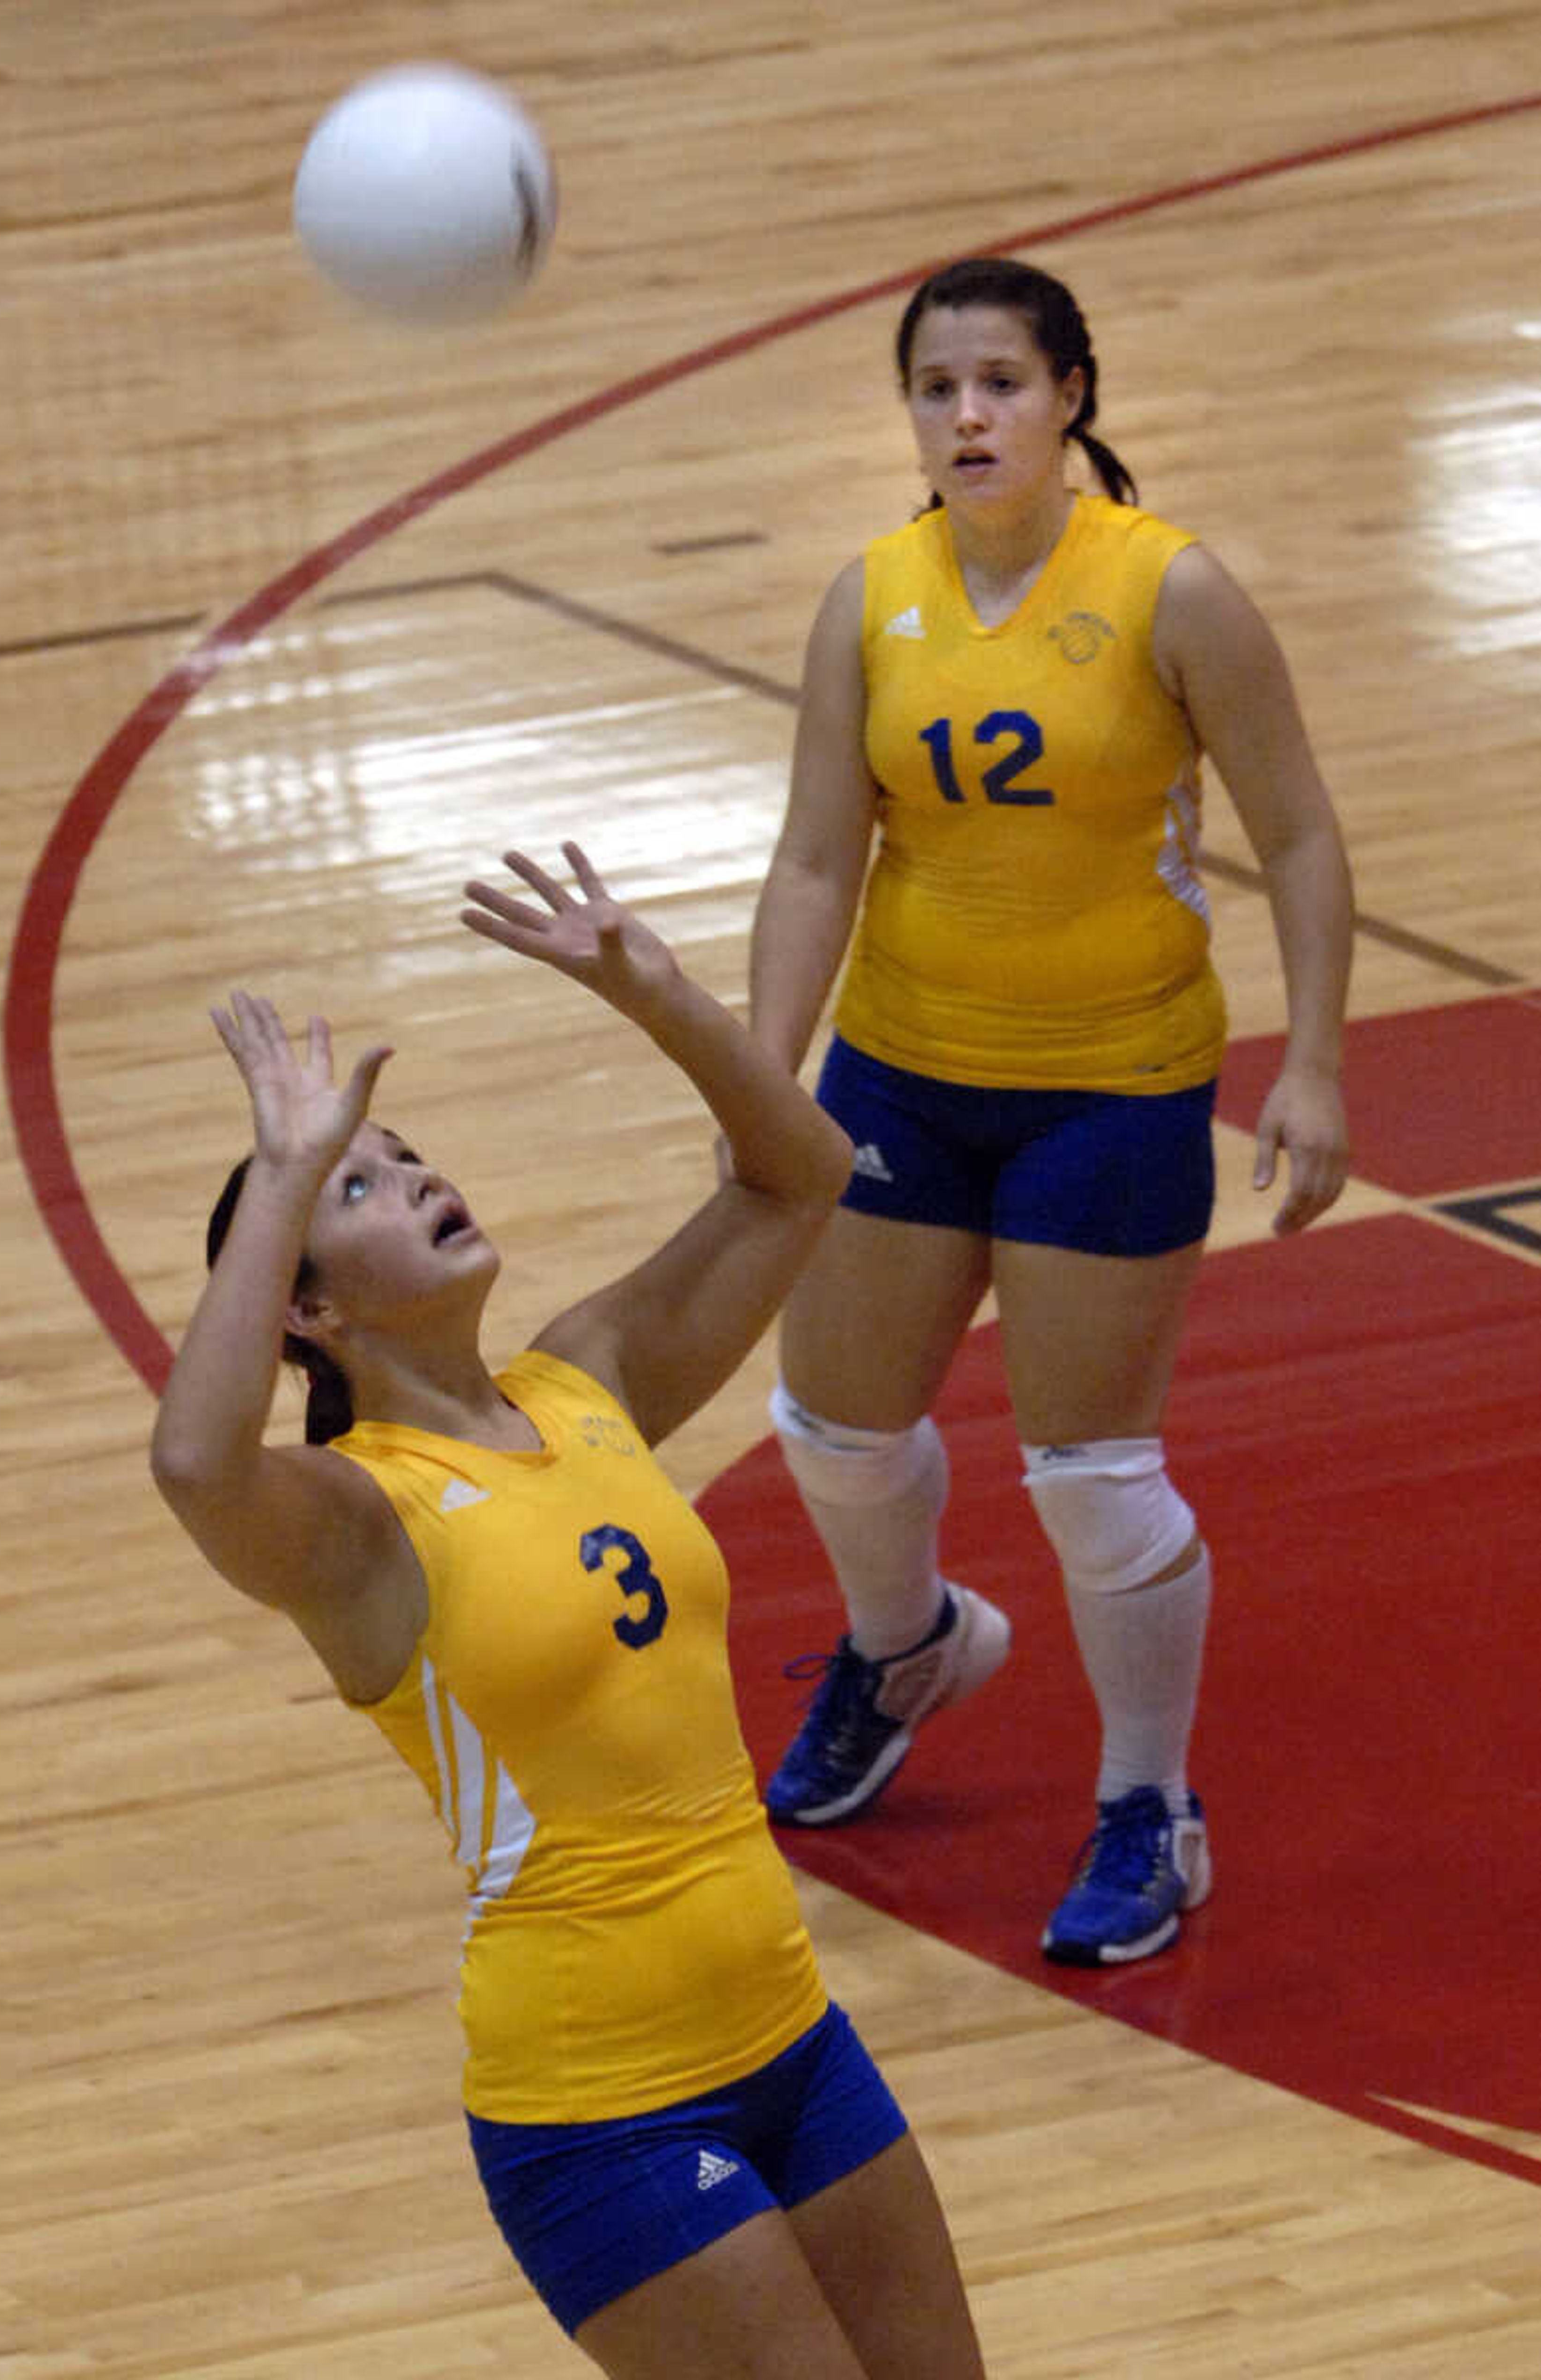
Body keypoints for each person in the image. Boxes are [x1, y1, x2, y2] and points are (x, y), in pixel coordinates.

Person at [149, 842, 987, 2379]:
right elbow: (196, 1461)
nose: (413, 1176)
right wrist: (277, 1170)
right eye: (362, 1183)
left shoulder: (585, 1376)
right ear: (311, 1308)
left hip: (798, 2044)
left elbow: (801, 1172)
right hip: (603, 2112)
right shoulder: (355, 1524)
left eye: (405, 1154)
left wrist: (658, 993)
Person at [750, 255, 1354, 1967]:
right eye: (937, 390)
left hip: (1113, 1081)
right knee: (833, 1427)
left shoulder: (1173, 594)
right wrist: (763, 1074)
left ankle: (1151, 1809)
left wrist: (1315, 1059)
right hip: (903, 1069)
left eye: (1002, 383)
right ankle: (909, 1640)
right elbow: (815, 854)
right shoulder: (871, 598)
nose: (968, 417)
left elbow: (1299, 832)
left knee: (1093, 1476)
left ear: (1072, 395)